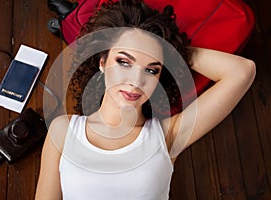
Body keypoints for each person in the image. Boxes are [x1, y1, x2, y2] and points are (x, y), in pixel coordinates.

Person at [35, 0, 256, 199]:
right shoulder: (63, 131)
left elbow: (242, 71)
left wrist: (171, 50)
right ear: (102, 62)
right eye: (124, 62)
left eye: (151, 70)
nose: (135, 81)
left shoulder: (168, 136)